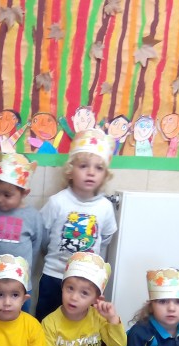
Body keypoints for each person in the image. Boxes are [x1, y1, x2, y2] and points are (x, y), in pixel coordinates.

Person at [36, 128, 118, 322]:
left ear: (105, 175)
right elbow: (41, 235)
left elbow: (105, 239)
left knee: (81, 326)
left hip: (86, 281)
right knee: (46, 322)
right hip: (54, 276)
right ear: (71, 170)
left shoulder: (105, 207)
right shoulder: (57, 202)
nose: (91, 172)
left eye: (98, 168)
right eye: (83, 166)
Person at [0, 153, 44, 315]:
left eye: (7, 195)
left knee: (19, 323)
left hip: (20, 284)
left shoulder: (33, 217)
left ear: (25, 193)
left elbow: (36, 246)